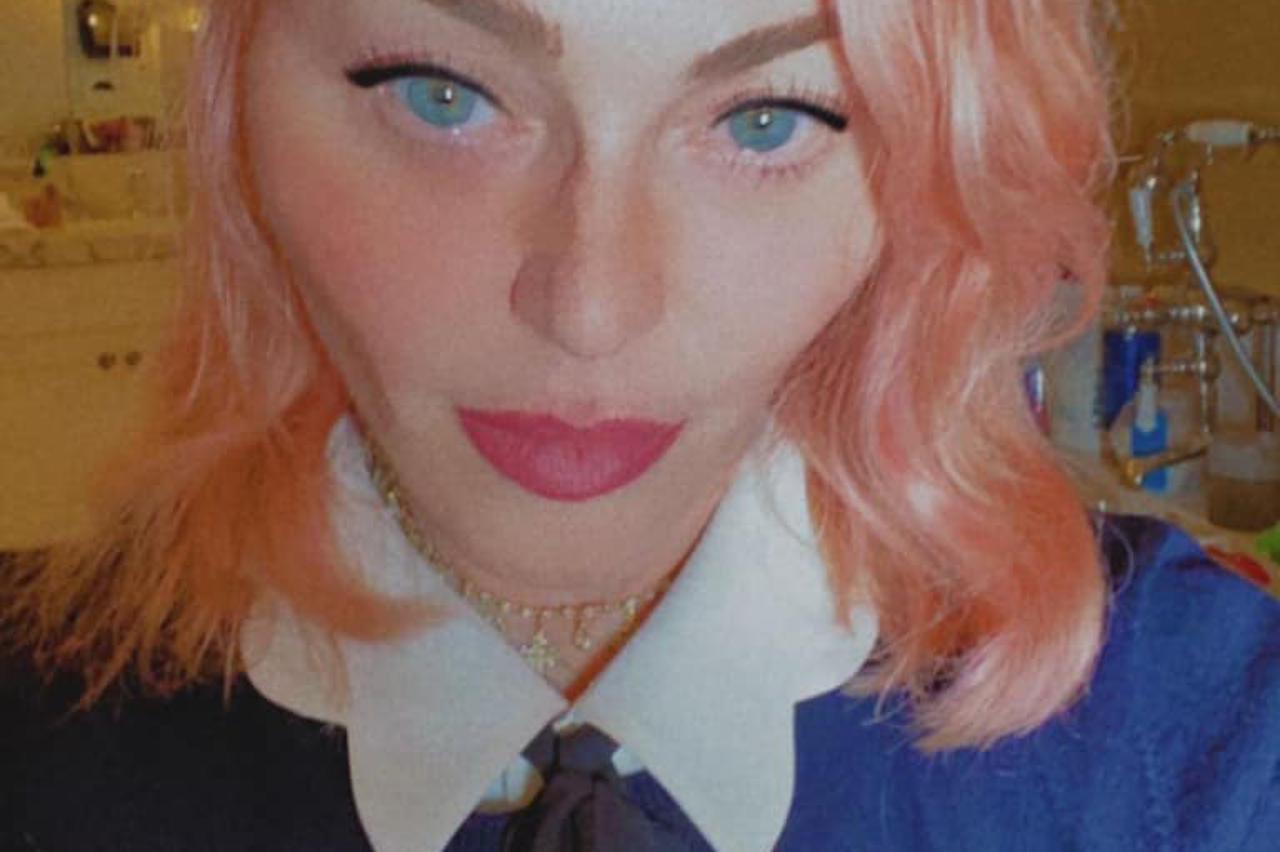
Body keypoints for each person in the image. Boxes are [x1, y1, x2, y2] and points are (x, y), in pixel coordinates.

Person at [3, 0, 1278, 849]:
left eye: (766, 120)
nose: (590, 309)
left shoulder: (1204, 740)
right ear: (238, 111)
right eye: (442, 96)